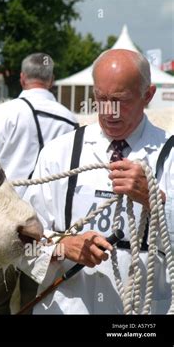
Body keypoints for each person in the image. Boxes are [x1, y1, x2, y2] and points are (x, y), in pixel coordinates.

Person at [23, 49, 173, 314]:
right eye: (101, 99)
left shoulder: (169, 155)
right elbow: (21, 239)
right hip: (67, 307)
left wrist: (157, 201)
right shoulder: (60, 153)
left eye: (120, 100)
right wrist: (61, 248)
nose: (109, 111)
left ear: (147, 95)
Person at [0, 53, 78, 314]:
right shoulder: (69, 119)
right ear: (52, 80)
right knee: (35, 298)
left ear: (22, 78)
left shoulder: (5, 112)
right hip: (47, 224)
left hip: (6, 221)